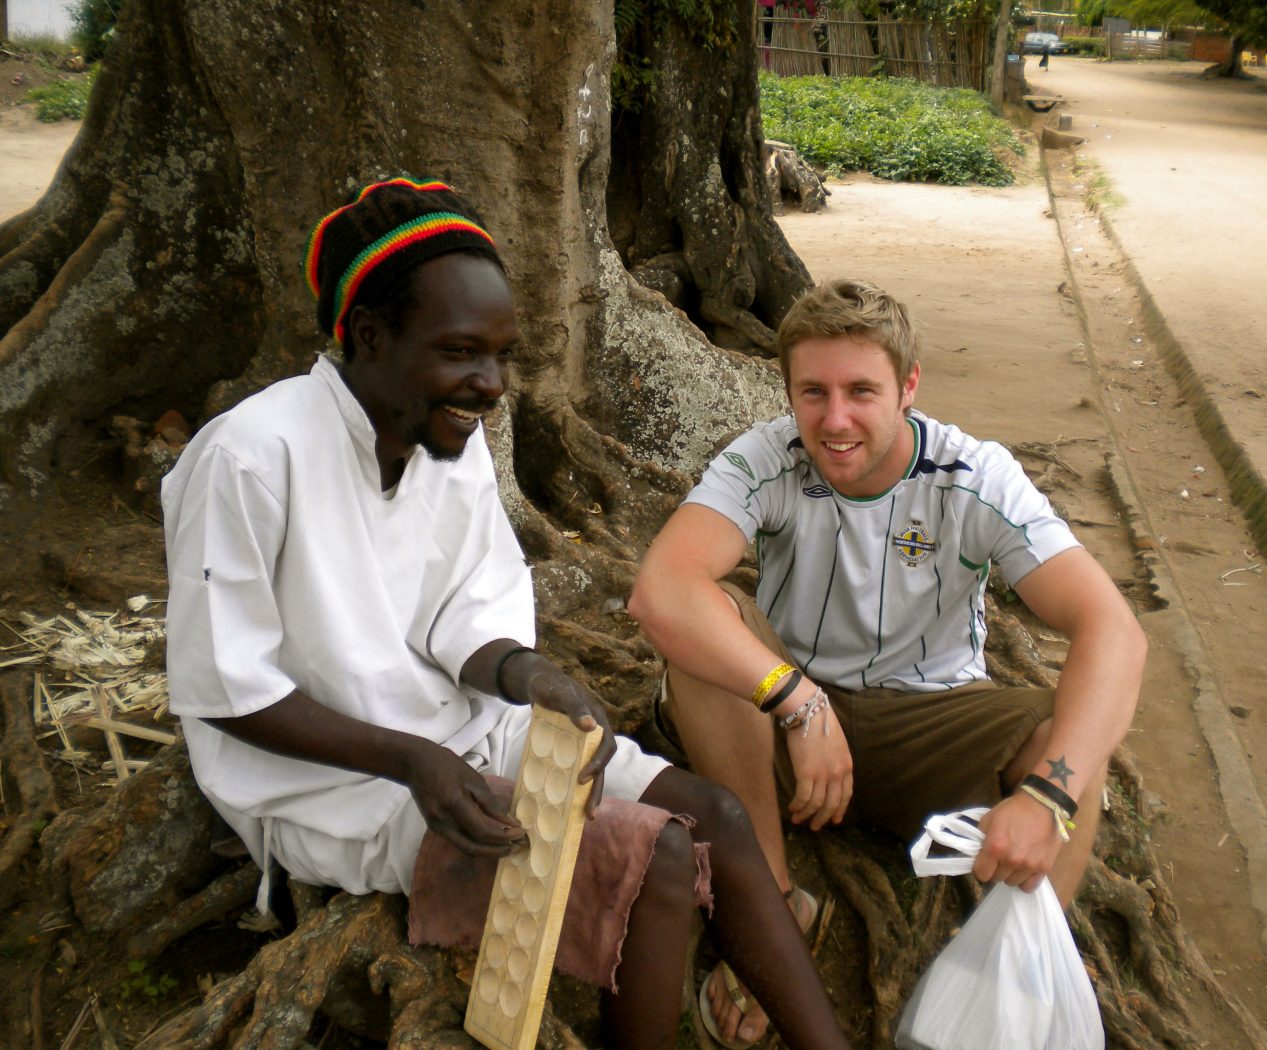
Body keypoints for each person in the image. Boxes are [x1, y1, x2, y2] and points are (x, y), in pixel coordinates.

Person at [162, 178, 851, 1049]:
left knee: (716, 817)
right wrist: (413, 760)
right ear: (368, 337)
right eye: (461, 353)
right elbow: (225, 687)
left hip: (461, 736)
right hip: (337, 781)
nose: (490, 385)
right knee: (656, 858)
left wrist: (531, 675)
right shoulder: (252, 459)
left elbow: (464, 612)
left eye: (502, 356)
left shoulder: (444, 435)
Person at [629, 278, 1145, 1047]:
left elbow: (1113, 628)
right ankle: (772, 908)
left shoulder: (975, 477)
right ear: (788, 391)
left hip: (932, 725)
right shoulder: (765, 458)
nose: (835, 420)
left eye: (861, 391)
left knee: (1070, 747)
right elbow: (661, 589)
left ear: (909, 385)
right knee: (709, 637)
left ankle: (1010, 975)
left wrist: (1050, 797)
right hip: (783, 727)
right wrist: (796, 700)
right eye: (813, 392)